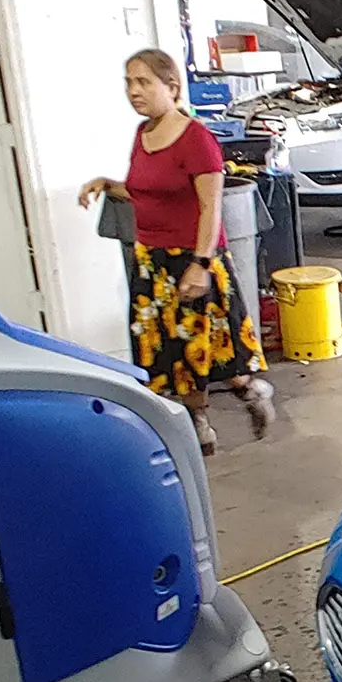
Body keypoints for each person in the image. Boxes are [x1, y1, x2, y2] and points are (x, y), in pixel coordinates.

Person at [78, 48, 272, 454]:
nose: (134, 91)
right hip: (152, 261)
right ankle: (198, 425)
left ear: (172, 87)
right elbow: (144, 190)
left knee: (211, 351)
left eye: (144, 82)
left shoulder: (196, 140)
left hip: (195, 258)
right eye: (129, 82)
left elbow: (210, 207)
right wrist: (104, 183)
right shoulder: (143, 135)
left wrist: (201, 264)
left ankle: (252, 393)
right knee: (169, 356)